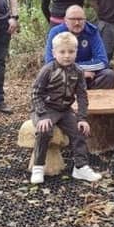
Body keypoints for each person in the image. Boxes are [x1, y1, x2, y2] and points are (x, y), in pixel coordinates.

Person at [30, 31, 102, 184]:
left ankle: (80, 167)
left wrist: (82, 118)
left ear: (76, 52)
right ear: (54, 52)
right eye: (62, 52)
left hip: (64, 110)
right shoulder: (48, 70)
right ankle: (38, 166)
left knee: (79, 130)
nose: (67, 55)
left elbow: (82, 96)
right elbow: (36, 92)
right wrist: (42, 115)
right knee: (45, 130)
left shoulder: (78, 71)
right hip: (45, 108)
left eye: (71, 51)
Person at [44, 5, 114, 89]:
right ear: (65, 20)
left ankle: (98, 100)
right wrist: (77, 72)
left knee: (108, 74)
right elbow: (50, 62)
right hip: (65, 77)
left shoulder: (92, 31)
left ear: (85, 20)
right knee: (53, 75)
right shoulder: (56, 32)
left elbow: (103, 62)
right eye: (73, 19)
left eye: (80, 19)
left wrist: (80, 70)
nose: (77, 23)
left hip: (89, 77)